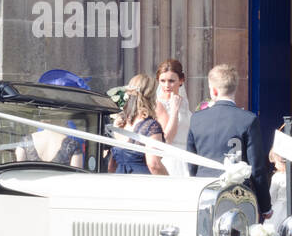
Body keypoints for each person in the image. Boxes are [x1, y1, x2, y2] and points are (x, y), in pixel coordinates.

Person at [185, 64, 271, 213]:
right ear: (234, 89)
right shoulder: (248, 120)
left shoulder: (197, 119)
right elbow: (257, 168)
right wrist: (265, 207)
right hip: (237, 193)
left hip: (204, 190)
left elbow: (191, 162)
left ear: (214, 91)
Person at [108, 74, 168, 175]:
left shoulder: (118, 122)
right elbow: (154, 164)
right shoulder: (150, 126)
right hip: (141, 182)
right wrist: (170, 182)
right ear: (151, 96)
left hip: (119, 181)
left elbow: (111, 166)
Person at [153, 58, 191, 177]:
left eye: (171, 81)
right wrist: (174, 111)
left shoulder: (184, 102)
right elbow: (166, 139)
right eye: (162, 81)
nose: (166, 85)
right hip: (170, 159)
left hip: (187, 157)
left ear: (181, 80)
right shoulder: (158, 104)